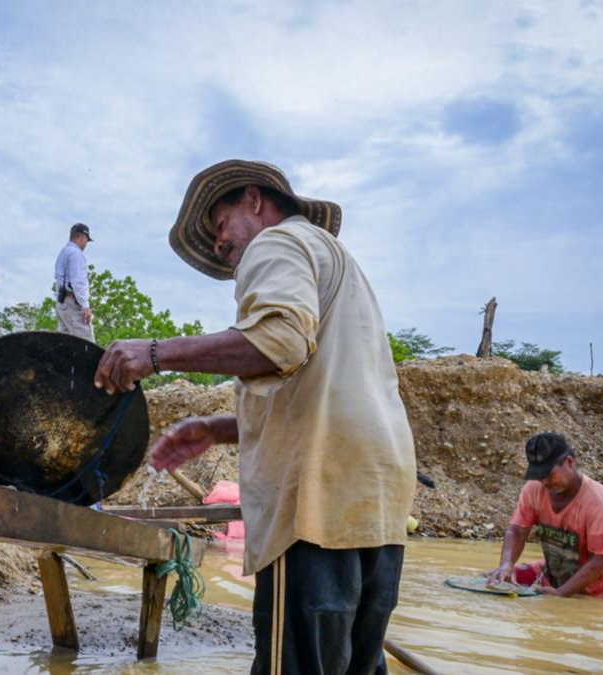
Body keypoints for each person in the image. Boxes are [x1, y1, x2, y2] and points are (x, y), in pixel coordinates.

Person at [93, 160, 417, 675]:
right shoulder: (336, 262)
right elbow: (318, 386)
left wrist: (154, 353)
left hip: (315, 504)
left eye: (221, 226)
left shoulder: (276, 242)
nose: (220, 244)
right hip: (376, 502)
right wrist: (218, 428)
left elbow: (280, 343)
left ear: (254, 199)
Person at [485, 432, 603, 598]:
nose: (544, 482)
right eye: (539, 476)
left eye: (549, 474)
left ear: (569, 462)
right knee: (490, 581)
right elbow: (517, 531)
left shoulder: (600, 503)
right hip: (554, 572)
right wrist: (506, 564)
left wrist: (562, 594)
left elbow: (601, 560)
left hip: (597, 586)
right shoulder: (533, 489)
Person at [54, 222, 94, 340]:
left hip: (62, 303)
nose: (86, 244)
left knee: (64, 344)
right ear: (82, 238)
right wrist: (85, 306)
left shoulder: (64, 252)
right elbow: (78, 281)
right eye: (86, 241)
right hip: (73, 304)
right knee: (86, 344)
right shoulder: (75, 254)